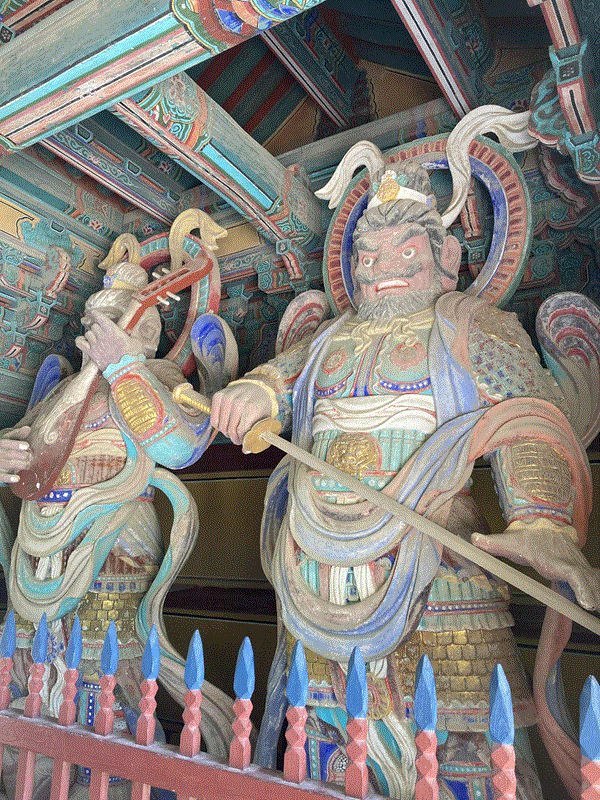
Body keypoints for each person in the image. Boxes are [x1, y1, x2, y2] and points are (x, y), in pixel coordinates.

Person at [210, 158, 600, 800]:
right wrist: (255, 390)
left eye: (406, 249)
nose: (379, 268)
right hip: (317, 574)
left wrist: (542, 522)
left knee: (465, 742)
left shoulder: (470, 324)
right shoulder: (331, 338)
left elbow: (524, 420)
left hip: (438, 568)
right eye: (366, 256)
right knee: (326, 740)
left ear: (447, 258)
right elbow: (281, 379)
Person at [0, 230, 235, 798]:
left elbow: (179, 447)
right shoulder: (61, 391)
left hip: (115, 539)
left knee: (107, 658)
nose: (97, 330)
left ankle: (103, 775)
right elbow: (29, 447)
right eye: (94, 320)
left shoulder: (160, 379)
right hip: (43, 547)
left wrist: (125, 368)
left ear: (146, 333)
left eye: (116, 321)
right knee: (34, 655)